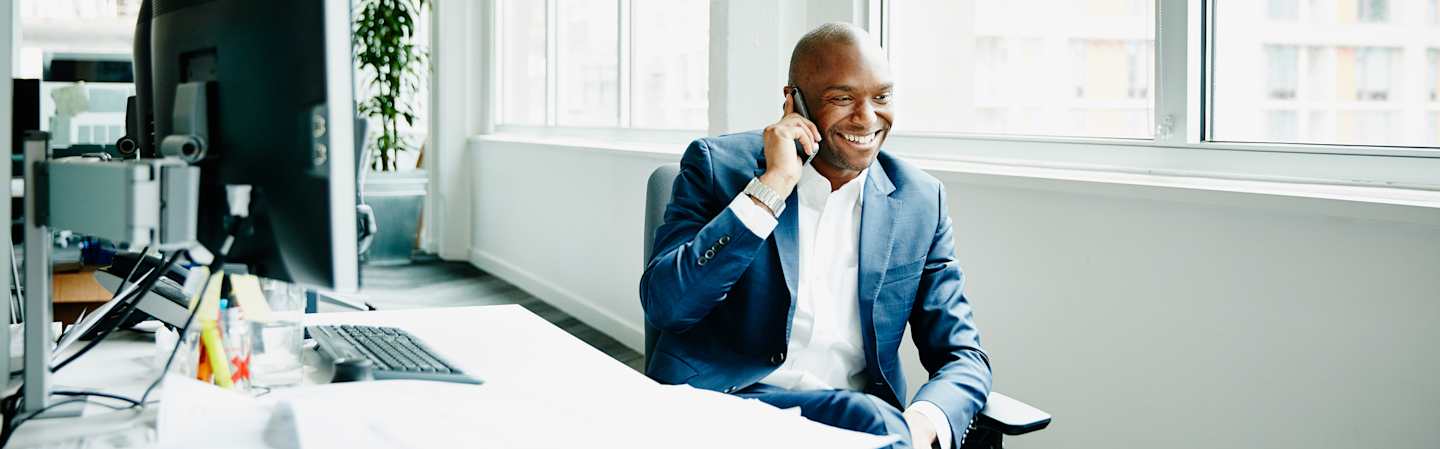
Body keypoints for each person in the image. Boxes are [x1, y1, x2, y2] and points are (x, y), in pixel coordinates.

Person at [639, 22, 991, 449]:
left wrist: (922, 422)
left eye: (881, 97)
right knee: (876, 422)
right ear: (794, 103)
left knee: (877, 422)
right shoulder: (718, 167)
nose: (866, 117)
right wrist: (771, 187)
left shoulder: (920, 200)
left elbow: (962, 355)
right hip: (729, 405)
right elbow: (668, 306)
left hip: (853, 426)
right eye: (842, 99)